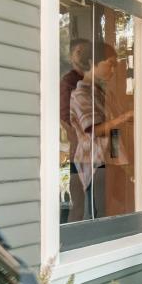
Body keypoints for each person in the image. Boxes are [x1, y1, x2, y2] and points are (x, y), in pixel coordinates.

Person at [70, 42, 133, 219]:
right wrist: (124, 117)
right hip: (93, 164)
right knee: (98, 215)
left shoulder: (105, 94)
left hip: (110, 163)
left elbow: (114, 129)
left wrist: (120, 160)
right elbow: (95, 130)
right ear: (92, 62)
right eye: (110, 63)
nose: (113, 70)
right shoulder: (81, 95)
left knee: (117, 210)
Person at [60, 38, 91, 222]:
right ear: (71, 56)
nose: (82, 55)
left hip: (90, 151)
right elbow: (64, 119)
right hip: (72, 151)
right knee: (72, 201)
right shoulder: (68, 82)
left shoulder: (91, 82)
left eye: (86, 52)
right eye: (79, 51)